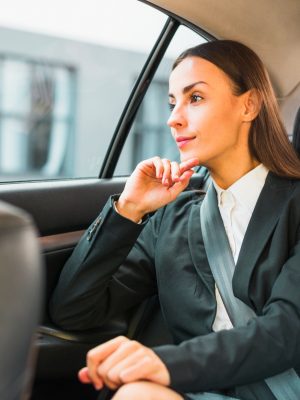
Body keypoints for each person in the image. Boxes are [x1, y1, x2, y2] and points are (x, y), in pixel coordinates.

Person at [50, 40, 300, 400]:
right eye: (171, 103)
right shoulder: (174, 218)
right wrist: (130, 209)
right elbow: (73, 310)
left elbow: (287, 330)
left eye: (194, 98)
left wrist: (164, 364)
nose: (173, 118)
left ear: (249, 105)